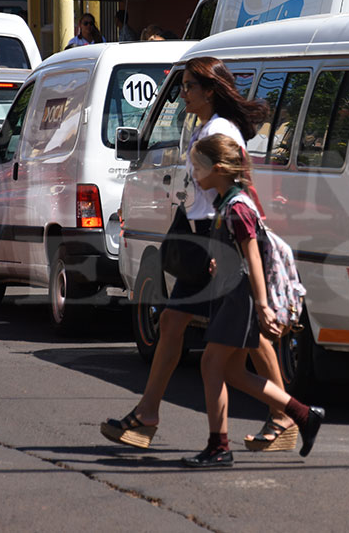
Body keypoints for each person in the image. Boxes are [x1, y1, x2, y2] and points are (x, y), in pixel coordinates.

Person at [100, 56, 301, 453]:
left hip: (215, 244)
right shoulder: (208, 126)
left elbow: (235, 188)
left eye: (189, 86)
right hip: (207, 240)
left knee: (243, 336)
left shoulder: (221, 130)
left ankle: (280, 417)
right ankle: (148, 414)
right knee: (177, 322)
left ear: (210, 91)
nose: (183, 93)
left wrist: (221, 246)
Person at [180, 132, 324, 468]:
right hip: (233, 293)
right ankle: (303, 414)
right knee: (231, 370)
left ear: (217, 168)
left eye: (197, 167)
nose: (194, 174)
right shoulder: (227, 203)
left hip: (241, 297)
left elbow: (254, 257)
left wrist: (261, 304)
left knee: (211, 364)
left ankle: (219, 447)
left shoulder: (238, 207)